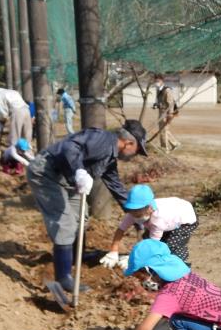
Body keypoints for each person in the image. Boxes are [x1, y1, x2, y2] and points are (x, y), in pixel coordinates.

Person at [27, 119, 148, 293]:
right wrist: (79, 170)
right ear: (128, 143)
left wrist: (137, 217)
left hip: (68, 180)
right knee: (65, 223)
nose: (133, 156)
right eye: (136, 151)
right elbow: (69, 147)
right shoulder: (103, 139)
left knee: (81, 217)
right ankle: (63, 278)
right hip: (46, 173)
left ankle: (77, 256)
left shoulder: (109, 158)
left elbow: (117, 188)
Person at [100, 184, 198, 269]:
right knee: (146, 240)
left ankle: (181, 269)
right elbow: (121, 230)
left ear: (149, 208)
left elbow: (152, 245)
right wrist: (114, 250)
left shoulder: (158, 220)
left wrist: (133, 260)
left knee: (171, 246)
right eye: (132, 212)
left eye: (138, 215)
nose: (135, 216)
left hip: (185, 219)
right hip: (171, 216)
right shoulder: (133, 213)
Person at [152, 74, 180, 152]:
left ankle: (164, 148)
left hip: (166, 113)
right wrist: (156, 105)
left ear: (162, 81)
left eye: (157, 81)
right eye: (155, 81)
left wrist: (170, 115)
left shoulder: (167, 90)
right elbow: (160, 101)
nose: (156, 82)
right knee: (164, 130)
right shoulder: (158, 90)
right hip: (161, 112)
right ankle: (175, 144)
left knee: (163, 130)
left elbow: (170, 104)